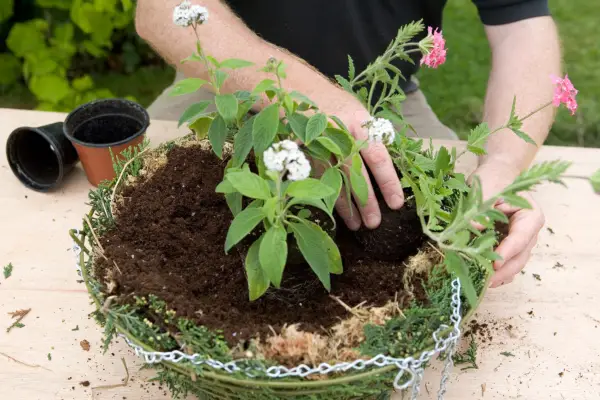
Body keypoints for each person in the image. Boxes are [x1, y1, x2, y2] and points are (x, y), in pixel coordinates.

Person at [135, 0, 560, 288]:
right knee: (145, 211)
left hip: (383, 102)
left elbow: (520, 27)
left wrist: (504, 162)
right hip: (224, 84)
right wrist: (305, 98)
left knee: (448, 219)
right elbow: (158, 8)